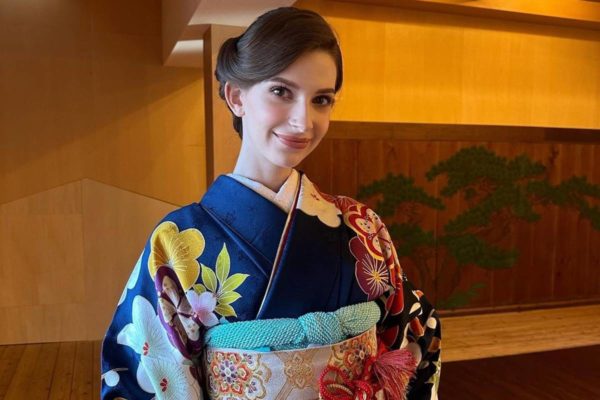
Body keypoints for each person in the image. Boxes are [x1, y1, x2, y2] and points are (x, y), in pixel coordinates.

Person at [101, 7, 441, 400]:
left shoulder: (362, 225)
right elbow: (143, 377)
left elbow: (415, 329)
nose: (303, 122)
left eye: (322, 100)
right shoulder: (177, 241)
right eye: (282, 92)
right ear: (237, 96)